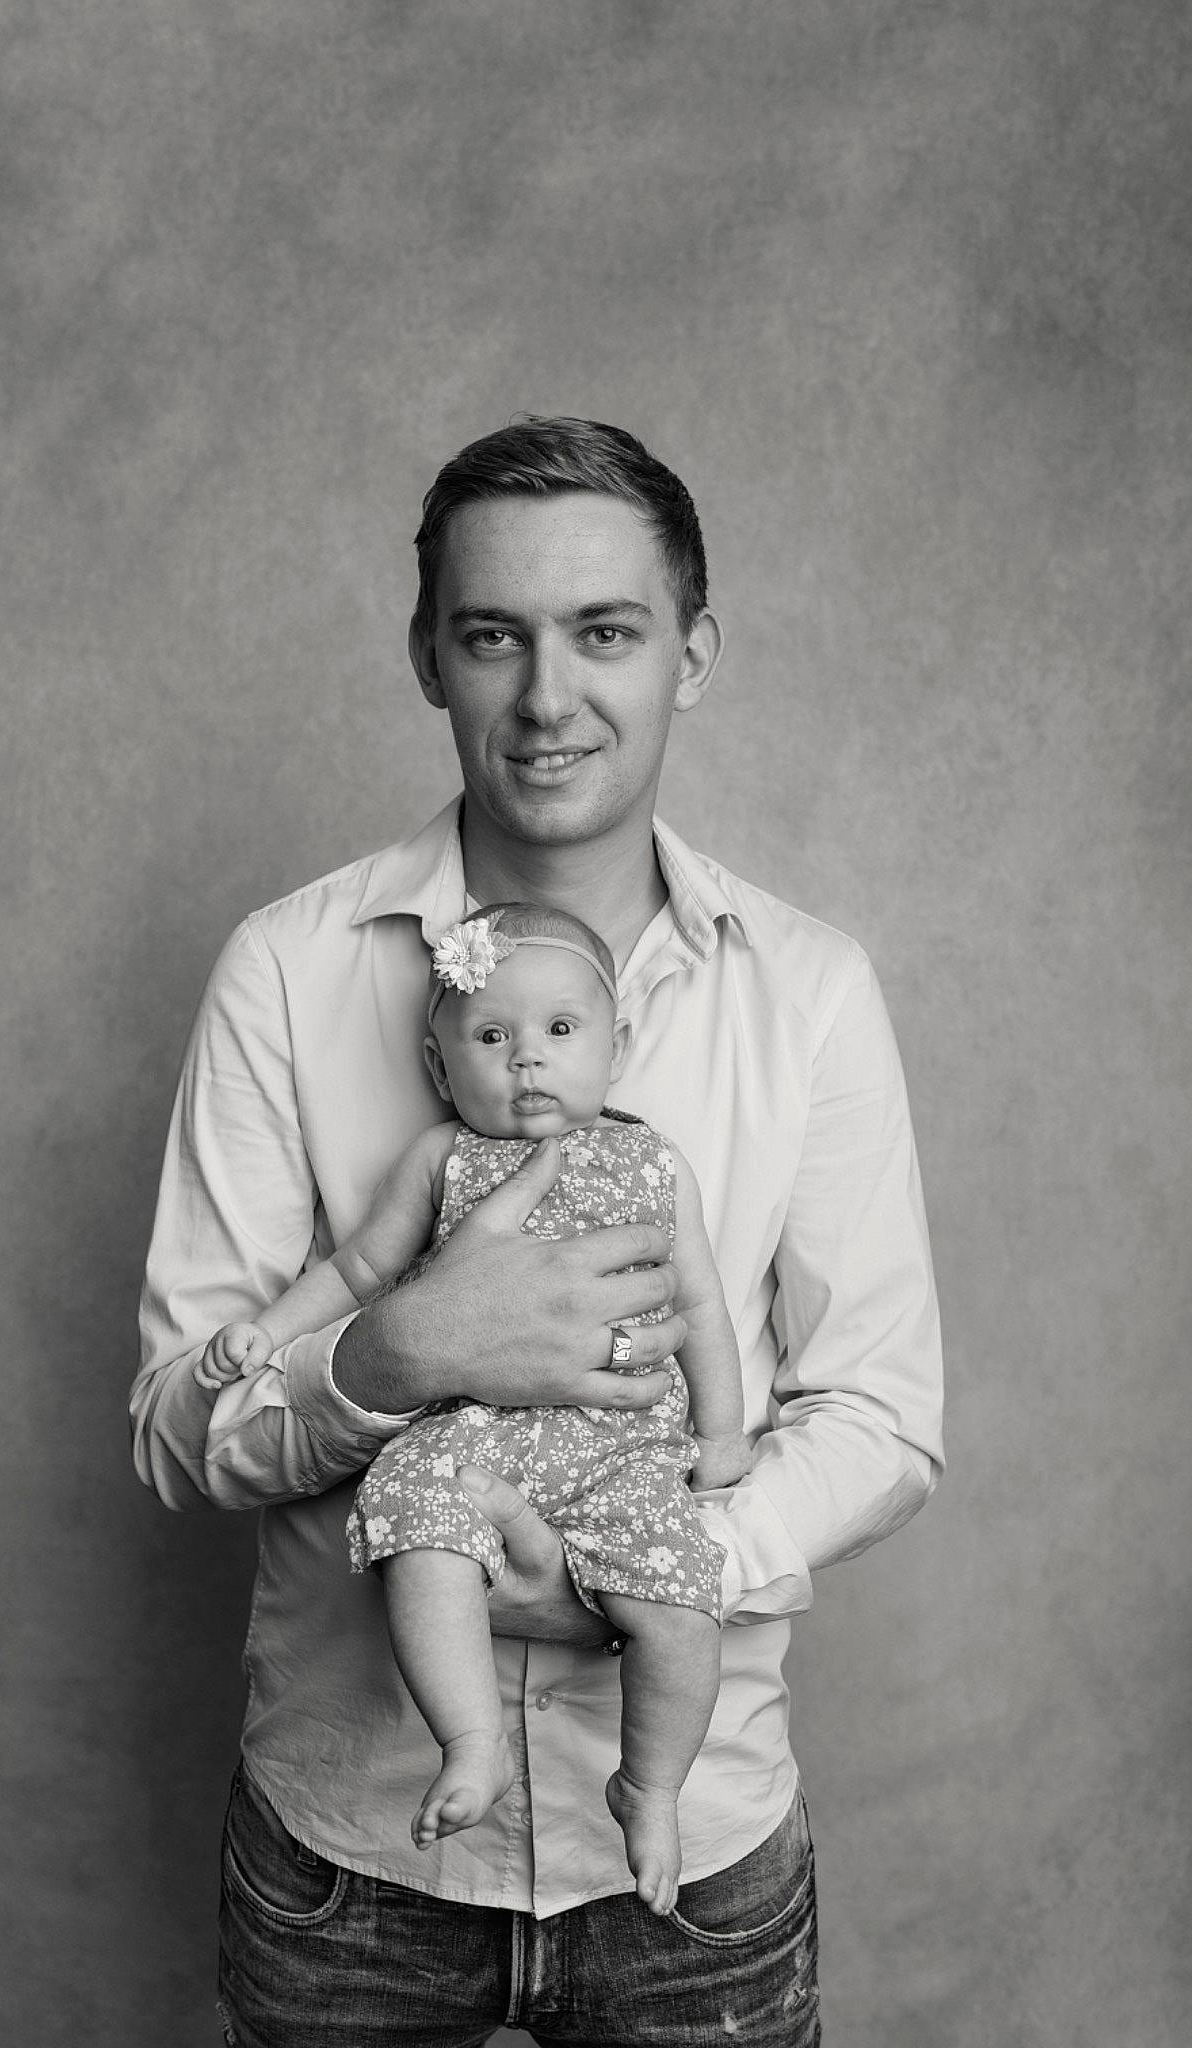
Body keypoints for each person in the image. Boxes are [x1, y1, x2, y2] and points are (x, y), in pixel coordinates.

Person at [132, 415, 944, 2047]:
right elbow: (177, 1430)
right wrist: (390, 1356)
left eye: (605, 632)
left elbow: (878, 1416)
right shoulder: (288, 972)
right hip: (346, 1869)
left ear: (692, 654)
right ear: (428, 654)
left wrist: (645, 1571)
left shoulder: (807, 992)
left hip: (692, 1873)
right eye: (493, 633)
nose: (547, 693)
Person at [196, 899, 753, 1916]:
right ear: (441, 1060)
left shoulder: (654, 1162)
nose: (528, 1059)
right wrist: (269, 1330)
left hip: (621, 1446)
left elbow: (703, 1305)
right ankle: (473, 1738)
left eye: (560, 1031)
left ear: (616, 1046)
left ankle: (655, 1784)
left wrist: (722, 1431)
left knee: (683, 1602)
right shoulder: (442, 1157)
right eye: (493, 1036)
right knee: (423, 1528)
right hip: (472, 1427)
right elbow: (360, 1264)